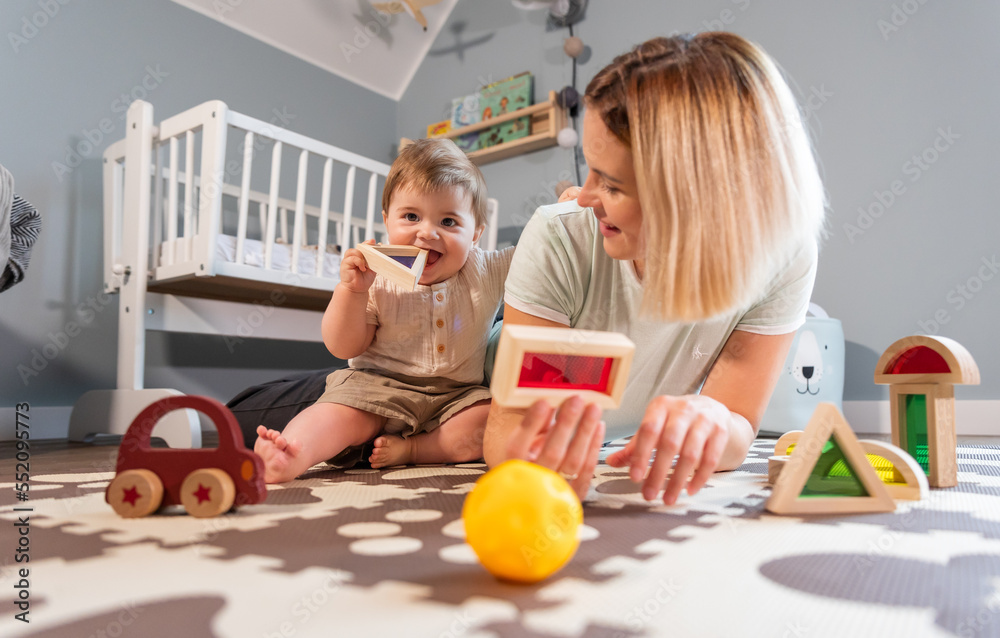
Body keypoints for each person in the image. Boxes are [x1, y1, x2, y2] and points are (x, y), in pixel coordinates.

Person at [484, 32, 826, 505]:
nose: (582, 197)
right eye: (589, 168)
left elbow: (738, 423)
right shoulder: (559, 236)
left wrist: (712, 419)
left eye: (612, 184)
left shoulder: (784, 254)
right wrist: (534, 456)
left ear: (696, 200)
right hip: (485, 359)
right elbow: (508, 429)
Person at [254, 138, 514, 483]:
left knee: (492, 420)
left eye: (449, 222)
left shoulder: (489, 268)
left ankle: (417, 449)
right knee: (336, 414)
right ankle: (292, 451)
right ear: (386, 220)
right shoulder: (375, 275)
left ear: (476, 234)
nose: (427, 232)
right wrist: (352, 291)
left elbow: (539, 251)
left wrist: (565, 212)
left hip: (457, 397)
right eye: (410, 216)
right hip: (378, 388)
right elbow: (344, 346)